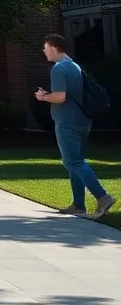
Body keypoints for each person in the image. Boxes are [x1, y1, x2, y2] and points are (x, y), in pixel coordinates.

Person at [35, 34, 117, 219]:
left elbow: (60, 97)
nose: (44, 51)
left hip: (67, 122)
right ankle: (78, 205)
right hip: (82, 121)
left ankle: (103, 197)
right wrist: (51, 94)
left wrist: (43, 97)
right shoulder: (74, 66)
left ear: (54, 48)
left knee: (73, 162)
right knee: (75, 161)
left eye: (46, 47)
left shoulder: (59, 68)